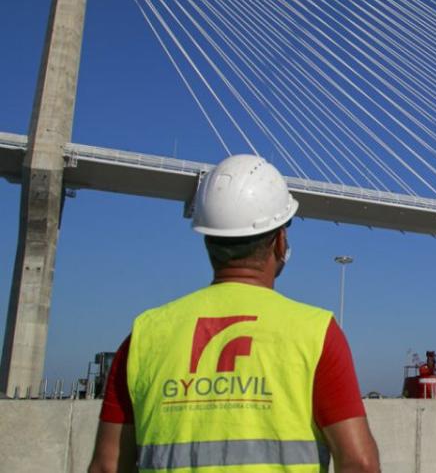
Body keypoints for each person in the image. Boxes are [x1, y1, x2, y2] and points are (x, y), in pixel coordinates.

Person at [88, 154, 380, 473]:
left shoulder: (145, 335)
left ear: (209, 243)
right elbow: (359, 463)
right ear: (280, 242)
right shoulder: (316, 332)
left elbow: (107, 466)